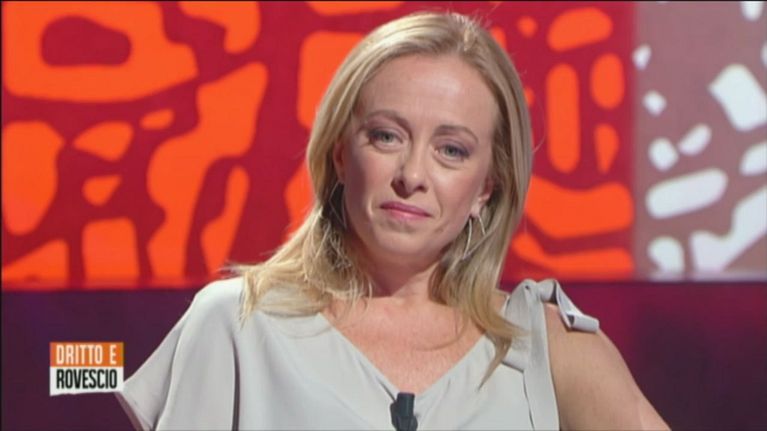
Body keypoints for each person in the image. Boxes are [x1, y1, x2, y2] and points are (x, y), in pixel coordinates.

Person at [116, 11, 669, 430]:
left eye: (451, 150)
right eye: (386, 136)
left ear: (486, 188)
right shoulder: (237, 324)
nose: (412, 175)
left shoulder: (549, 348)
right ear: (339, 154)